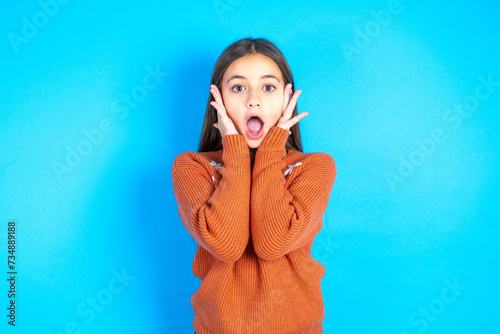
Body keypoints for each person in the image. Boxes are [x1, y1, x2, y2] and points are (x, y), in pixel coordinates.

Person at [172, 37, 337, 334]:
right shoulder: (193, 167)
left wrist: (271, 149)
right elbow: (228, 245)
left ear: (288, 99)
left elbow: (272, 243)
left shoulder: (314, 167)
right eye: (238, 87)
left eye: (268, 87)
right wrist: (234, 149)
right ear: (217, 100)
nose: (253, 100)